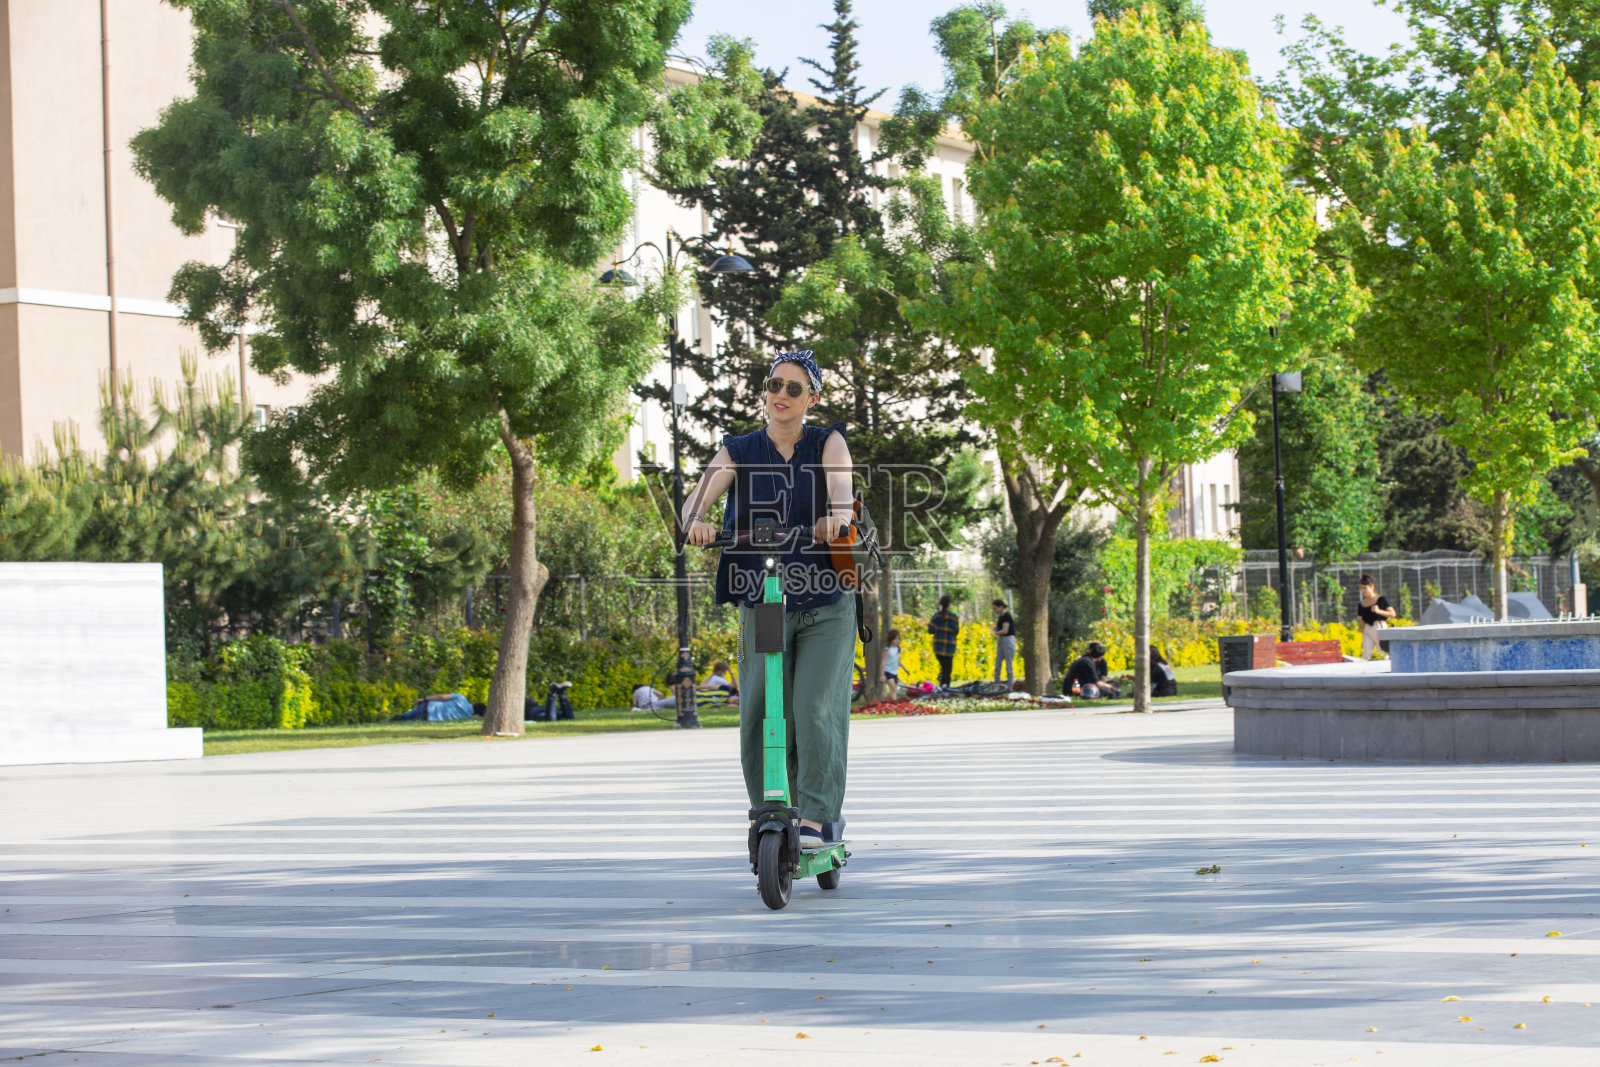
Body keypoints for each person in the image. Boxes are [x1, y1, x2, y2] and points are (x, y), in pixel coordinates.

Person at [683, 350, 857, 851]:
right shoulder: (739, 450)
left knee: (814, 707)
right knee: (762, 706)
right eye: (774, 384)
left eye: (794, 389)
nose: (781, 394)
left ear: (812, 399)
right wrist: (696, 522)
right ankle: (771, 809)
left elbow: (841, 493)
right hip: (765, 601)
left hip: (825, 601)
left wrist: (836, 516)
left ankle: (819, 817)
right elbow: (694, 503)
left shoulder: (828, 442)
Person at [1356, 573, 1397, 660]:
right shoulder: (1361, 604)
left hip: (1379, 627)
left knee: (1383, 653)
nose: (1363, 590)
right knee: (1366, 655)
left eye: (1365, 588)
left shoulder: (1381, 599)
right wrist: (1362, 637)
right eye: (1361, 588)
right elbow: (1363, 621)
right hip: (1368, 629)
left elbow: (1392, 614)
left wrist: (1379, 611)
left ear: (1372, 587)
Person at [929, 595, 960, 688]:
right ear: (949, 604)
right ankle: (945, 687)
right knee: (947, 669)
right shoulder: (954, 617)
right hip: (949, 647)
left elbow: (930, 630)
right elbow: (957, 631)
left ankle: (943, 684)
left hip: (938, 647)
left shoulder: (936, 616)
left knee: (944, 668)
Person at [991, 599, 1016, 684]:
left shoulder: (1007, 616)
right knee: (998, 662)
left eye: (995, 608)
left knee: (1009, 664)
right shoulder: (1000, 617)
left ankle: (1010, 684)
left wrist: (996, 632)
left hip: (1008, 639)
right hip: (1001, 640)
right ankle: (996, 683)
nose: (994, 610)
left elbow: (1005, 630)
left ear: (1000, 607)